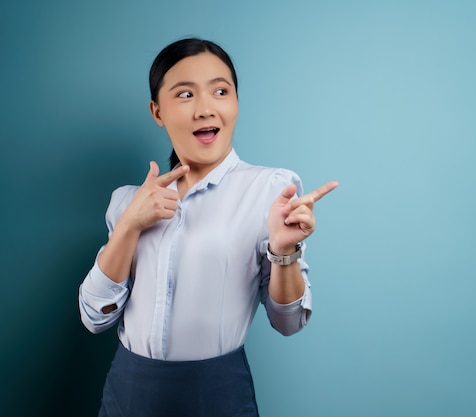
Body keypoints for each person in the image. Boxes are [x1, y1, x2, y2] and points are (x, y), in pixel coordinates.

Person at [78, 37, 338, 417]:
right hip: (127, 394)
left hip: (217, 395)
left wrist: (284, 254)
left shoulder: (270, 190)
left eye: (220, 91)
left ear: (235, 102)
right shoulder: (126, 201)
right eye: (185, 95)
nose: (205, 109)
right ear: (157, 111)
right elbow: (93, 318)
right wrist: (130, 224)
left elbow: (289, 322)